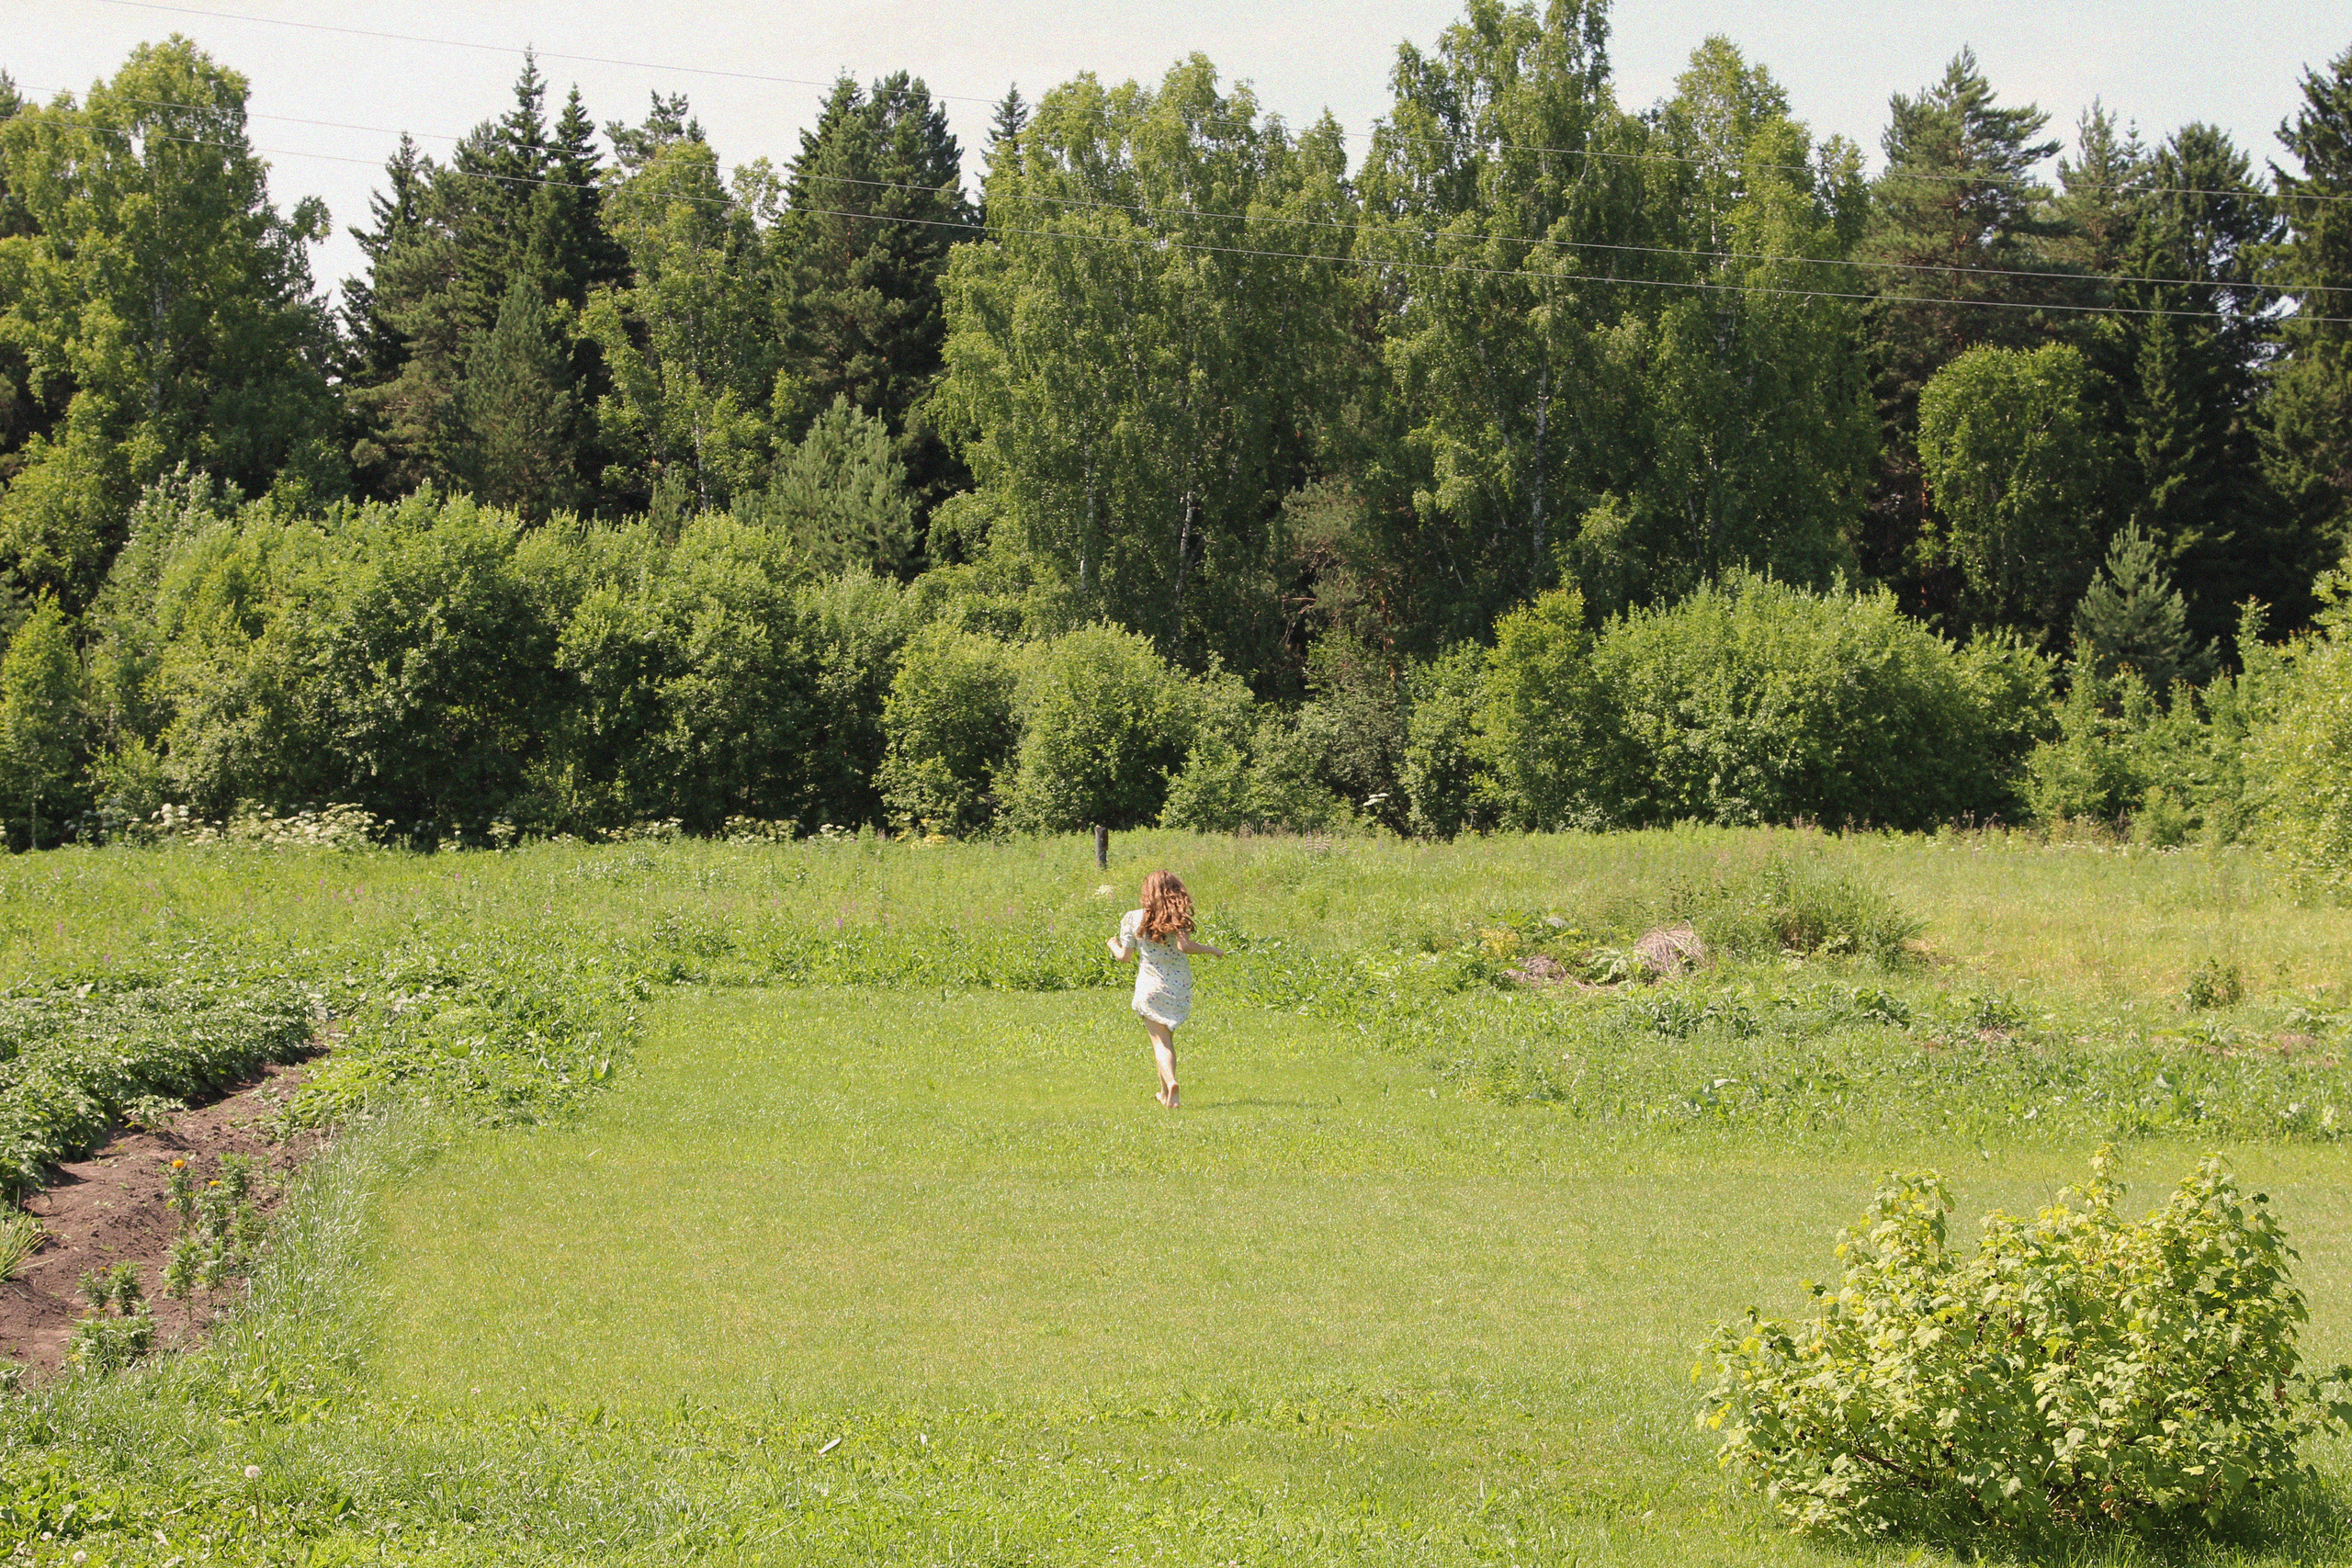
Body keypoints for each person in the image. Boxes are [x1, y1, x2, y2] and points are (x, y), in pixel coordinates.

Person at [1106, 870, 1225, 1109]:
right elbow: (1185, 947)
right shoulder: (1176, 918)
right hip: (1177, 987)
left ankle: (1171, 1084)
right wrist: (1211, 949)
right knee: (1167, 1041)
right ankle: (1164, 1094)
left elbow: (1125, 957)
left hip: (1150, 987)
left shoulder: (1133, 918)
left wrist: (1113, 944)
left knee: (1160, 1043)